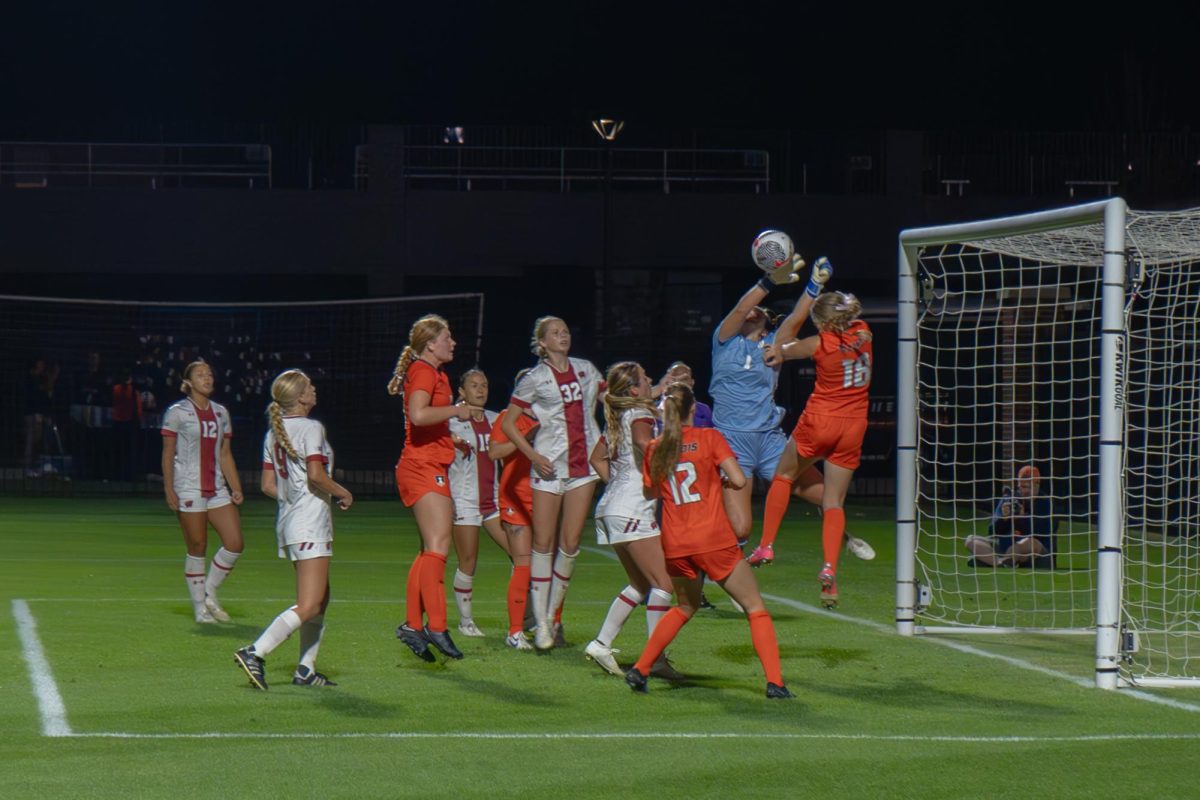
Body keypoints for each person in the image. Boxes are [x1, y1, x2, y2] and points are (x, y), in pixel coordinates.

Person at [623, 383, 793, 699]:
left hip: (676, 543)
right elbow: (740, 480)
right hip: (713, 539)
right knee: (755, 607)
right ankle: (776, 683)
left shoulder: (656, 448)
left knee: (685, 606)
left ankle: (641, 668)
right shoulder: (710, 438)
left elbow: (650, 492)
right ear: (693, 410)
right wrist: (720, 480)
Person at [710, 256, 875, 565]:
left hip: (770, 439)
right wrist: (769, 280)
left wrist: (814, 286)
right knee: (741, 525)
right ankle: (717, 571)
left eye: (763, 312)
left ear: (769, 322)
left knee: (827, 496)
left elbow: (797, 320)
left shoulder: (774, 345)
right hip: (733, 441)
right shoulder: (724, 340)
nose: (754, 312)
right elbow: (740, 309)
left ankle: (842, 538)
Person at [750, 277, 873, 609]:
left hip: (821, 420)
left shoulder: (818, 344)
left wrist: (809, 296)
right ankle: (830, 571)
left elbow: (780, 346)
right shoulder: (864, 331)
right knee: (833, 501)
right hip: (853, 425)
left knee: (784, 475)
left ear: (822, 322)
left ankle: (766, 545)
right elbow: (848, 306)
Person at [233, 369, 353, 690]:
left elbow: (268, 485)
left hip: (291, 522)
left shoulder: (273, 432)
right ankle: (255, 651)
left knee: (320, 598)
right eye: (310, 386)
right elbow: (316, 474)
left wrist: (293, 498)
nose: (314, 389)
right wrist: (342, 491)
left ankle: (305, 670)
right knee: (311, 603)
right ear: (300, 397)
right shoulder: (311, 427)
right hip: (309, 523)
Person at [500, 316, 604, 650]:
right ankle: (542, 623)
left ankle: (551, 616)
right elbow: (510, 425)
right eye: (555, 332)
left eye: (566, 331)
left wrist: (654, 393)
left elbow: (610, 399)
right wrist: (532, 455)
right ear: (542, 342)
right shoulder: (534, 378)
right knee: (543, 543)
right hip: (549, 467)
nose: (563, 335)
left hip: (583, 468)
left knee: (570, 544)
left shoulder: (586, 368)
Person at [389, 315, 480, 662]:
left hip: (428, 463)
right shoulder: (425, 370)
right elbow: (417, 414)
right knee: (440, 547)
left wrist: (449, 436)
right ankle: (437, 626)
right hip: (422, 467)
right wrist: (456, 411)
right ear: (431, 344)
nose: (453, 342)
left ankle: (414, 625)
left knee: (430, 549)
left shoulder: (433, 372)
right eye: (447, 337)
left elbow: (426, 420)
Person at [585, 362, 680, 679]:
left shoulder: (620, 416)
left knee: (641, 584)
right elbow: (644, 445)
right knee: (664, 583)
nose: (650, 378)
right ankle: (656, 658)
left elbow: (596, 458)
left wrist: (618, 483)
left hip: (613, 507)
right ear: (634, 390)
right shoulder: (639, 415)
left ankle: (601, 643)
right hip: (630, 508)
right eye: (645, 377)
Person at [160, 360, 245, 624]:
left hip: (217, 487)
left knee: (235, 543)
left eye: (209, 374)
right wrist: (169, 488)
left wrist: (236, 487)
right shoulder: (177, 412)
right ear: (188, 382)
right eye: (200, 375)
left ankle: (209, 591)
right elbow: (168, 453)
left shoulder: (221, 412)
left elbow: (225, 453)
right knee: (197, 545)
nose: (207, 378)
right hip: (188, 486)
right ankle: (200, 608)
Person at [447, 368, 510, 637]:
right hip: (464, 499)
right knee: (468, 560)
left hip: (493, 500)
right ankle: (466, 621)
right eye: (474, 385)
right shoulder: (450, 421)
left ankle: (526, 619)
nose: (481, 389)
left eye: (484, 384)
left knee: (521, 555)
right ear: (462, 391)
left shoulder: (497, 419)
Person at [488, 369, 540, 651]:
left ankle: (549, 625)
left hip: (545, 497)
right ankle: (515, 631)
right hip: (516, 498)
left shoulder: (551, 418)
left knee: (550, 564)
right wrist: (525, 439)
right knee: (523, 563)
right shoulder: (509, 417)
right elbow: (494, 452)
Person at [965, 465, 1058, 567]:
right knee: (970, 540)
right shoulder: (1009, 499)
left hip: (1037, 553)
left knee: (1028, 543)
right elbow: (992, 532)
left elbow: (1043, 531)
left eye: (1027, 487)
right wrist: (1003, 519)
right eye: (1020, 487)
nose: (1023, 491)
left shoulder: (1046, 503)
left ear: (1037, 485)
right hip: (1006, 547)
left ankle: (990, 561)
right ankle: (1000, 563)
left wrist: (1022, 517)